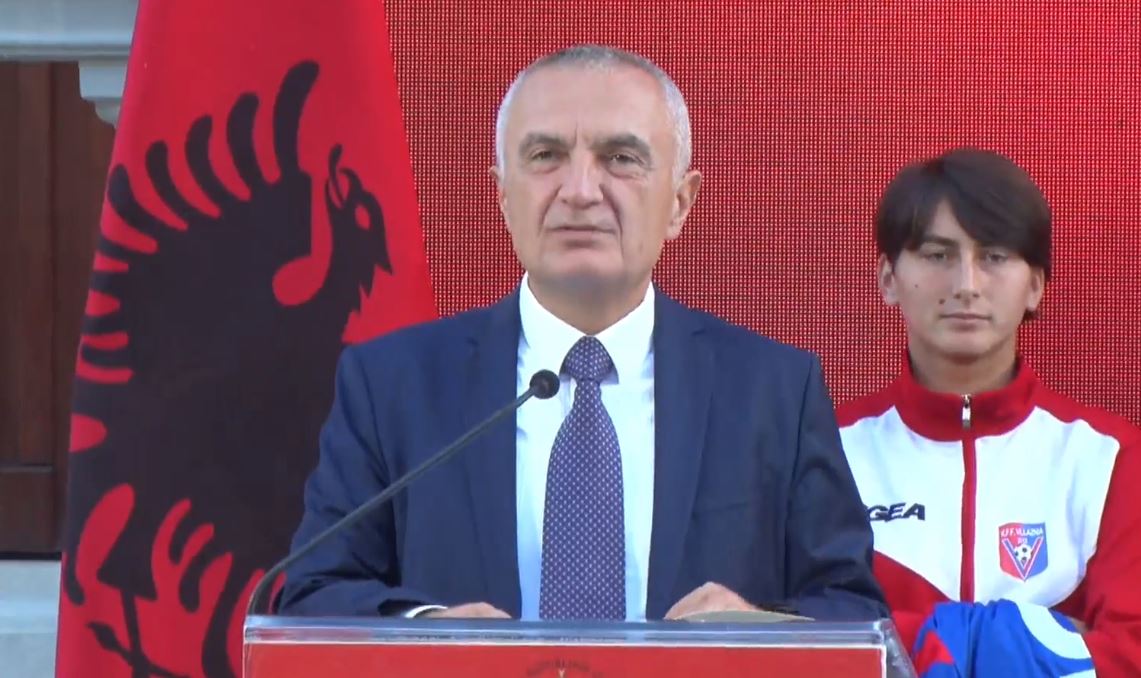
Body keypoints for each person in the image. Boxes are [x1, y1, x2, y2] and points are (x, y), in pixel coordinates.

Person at [279, 44, 886, 622]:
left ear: (680, 202)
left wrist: (757, 630)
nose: (578, 191)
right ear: (502, 196)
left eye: (620, 158)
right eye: (546, 156)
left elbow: (853, 608)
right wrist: (429, 631)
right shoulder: (391, 385)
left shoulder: (773, 391)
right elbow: (312, 595)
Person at [838, 148, 1141, 675]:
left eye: (995, 257)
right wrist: (1038, 641)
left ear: (1036, 285)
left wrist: (905, 638)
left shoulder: (1113, 458)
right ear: (887, 278)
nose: (966, 284)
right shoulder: (826, 450)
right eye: (938, 255)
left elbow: (1130, 655)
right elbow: (807, 642)